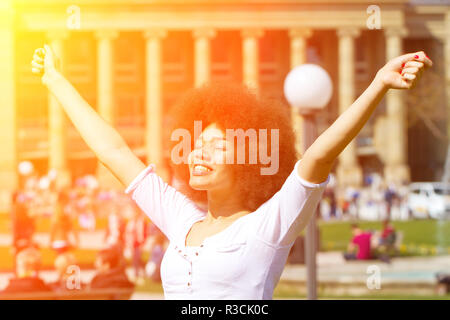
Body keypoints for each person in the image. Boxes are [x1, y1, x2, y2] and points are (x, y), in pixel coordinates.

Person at [31, 44, 432, 299]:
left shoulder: (267, 227)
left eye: (216, 145)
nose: (198, 154)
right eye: (196, 144)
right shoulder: (182, 220)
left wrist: (379, 83)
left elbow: (317, 158)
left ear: (248, 161)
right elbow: (112, 150)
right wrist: (55, 80)